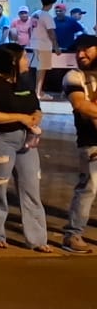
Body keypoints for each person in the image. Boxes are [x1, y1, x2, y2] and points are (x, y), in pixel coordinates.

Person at [0, 42, 52, 253]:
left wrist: (36, 117)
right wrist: (20, 117)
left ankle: (37, 239)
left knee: (31, 187)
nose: (27, 61)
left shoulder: (24, 81)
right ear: (12, 61)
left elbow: (35, 106)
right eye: (24, 57)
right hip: (0, 140)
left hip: (26, 141)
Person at [59, 35, 97, 253]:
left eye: (86, 49)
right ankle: (73, 235)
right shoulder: (74, 76)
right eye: (78, 50)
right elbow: (81, 105)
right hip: (90, 142)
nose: (81, 54)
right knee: (88, 188)